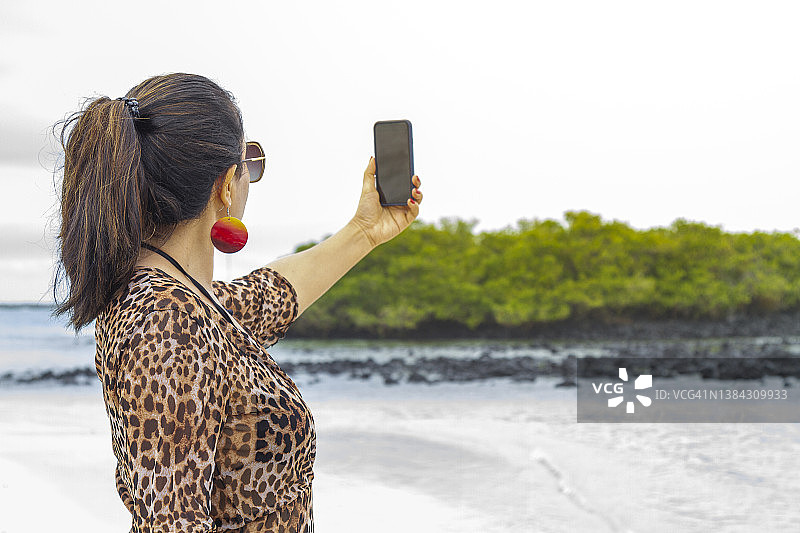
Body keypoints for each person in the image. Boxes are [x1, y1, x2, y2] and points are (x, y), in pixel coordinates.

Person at [52, 72, 423, 532]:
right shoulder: (168, 323)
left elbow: (272, 295)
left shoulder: (180, 302)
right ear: (227, 184)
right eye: (249, 164)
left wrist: (365, 231)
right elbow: (173, 523)